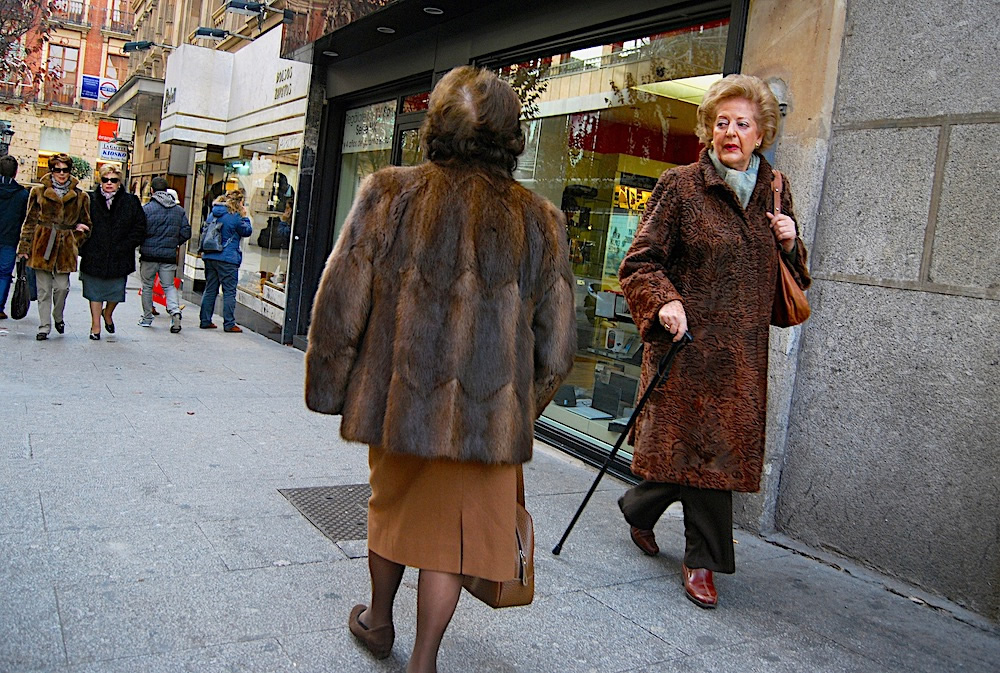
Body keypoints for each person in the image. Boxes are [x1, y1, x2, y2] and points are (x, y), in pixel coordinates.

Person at [304, 66, 576, 673]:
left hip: (399, 401)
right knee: (449, 541)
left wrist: (332, 387)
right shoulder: (540, 219)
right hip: (485, 417)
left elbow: (341, 301)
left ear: (436, 125)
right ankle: (423, 660)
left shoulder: (388, 193)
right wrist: (512, 406)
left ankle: (378, 622)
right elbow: (557, 348)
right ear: (511, 134)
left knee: (392, 508)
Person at [616, 74, 811, 610]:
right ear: (708, 129)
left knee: (701, 457)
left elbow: (793, 279)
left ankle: (638, 507)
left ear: (761, 132)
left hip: (741, 358)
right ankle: (702, 562)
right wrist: (664, 301)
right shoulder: (680, 186)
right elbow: (638, 263)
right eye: (722, 122)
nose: (732, 132)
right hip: (685, 347)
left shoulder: (775, 189)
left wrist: (791, 244)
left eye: (743, 123)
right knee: (708, 461)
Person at [17, 153, 91, 340]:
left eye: (65, 170)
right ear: (51, 170)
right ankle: (44, 326)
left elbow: (87, 223)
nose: (61, 173)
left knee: (62, 288)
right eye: (57, 169)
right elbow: (30, 221)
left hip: (65, 246)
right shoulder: (38, 192)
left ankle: (58, 316)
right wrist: (24, 248)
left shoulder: (81, 196)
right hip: (42, 244)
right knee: (43, 290)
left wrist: (77, 236)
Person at [79, 164, 146, 341]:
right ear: (100, 180)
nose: (109, 183)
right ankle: (96, 326)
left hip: (119, 254)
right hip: (94, 252)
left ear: (119, 182)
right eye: (105, 179)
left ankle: (107, 314)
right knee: (94, 291)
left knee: (116, 291)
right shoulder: (89, 199)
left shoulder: (130, 201)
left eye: (113, 180)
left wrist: (127, 244)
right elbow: (80, 221)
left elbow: (140, 227)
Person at [139, 177, 191, 332]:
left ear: (152, 191)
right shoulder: (179, 211)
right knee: (168, 286)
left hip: (148, 255)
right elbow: (186, 232)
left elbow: (139, 231)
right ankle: (175, 311)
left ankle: (147, 317)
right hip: (168, 255)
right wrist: (174, 242)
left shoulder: (146, 209)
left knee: (147, 286)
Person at [198, 189, 252, 332]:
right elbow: (247, 231)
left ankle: (205, 320)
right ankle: (229, 323)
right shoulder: (235, 216)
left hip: (210, 255)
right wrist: (245, 217)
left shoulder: (213, 213)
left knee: (210, 289)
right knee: (229, 291)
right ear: (239, 202)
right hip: (227, 258)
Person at [0, 155, 29, 319]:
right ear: (15, 173)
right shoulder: (22, 194)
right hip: (10, 239)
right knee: (4, 274)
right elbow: (23, 219)